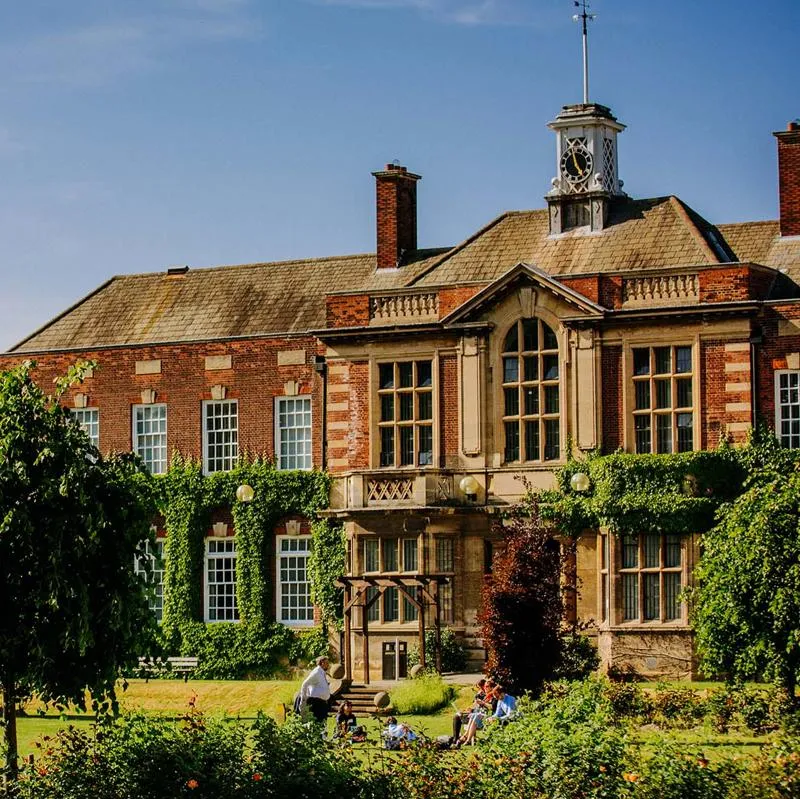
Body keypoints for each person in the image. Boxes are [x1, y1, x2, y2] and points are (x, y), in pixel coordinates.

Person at [451, 678, 492, 743]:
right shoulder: (479, 695)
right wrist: (467, 710)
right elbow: (474, 706)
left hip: (479, 717)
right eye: (479, 688)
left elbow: (487, 708)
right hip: (473, 714)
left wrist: (481, 703)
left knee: (474, 716)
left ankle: (465, 738)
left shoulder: (490, 696)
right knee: (457, 716)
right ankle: (455, 739)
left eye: (481, 688)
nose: (480, 690)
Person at [299, 655, 331, 723]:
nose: (328, 665)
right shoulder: (316, 672)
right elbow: (305, 684)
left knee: (322, 724)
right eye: (327, 663)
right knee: (317, 723)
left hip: (322, 703)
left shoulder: (321, 672)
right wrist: (303, 700)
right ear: (322, 662)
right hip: (316, 703)